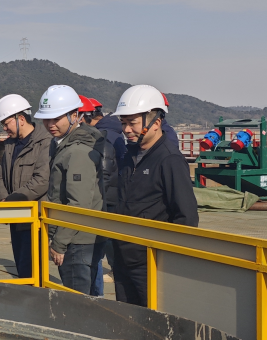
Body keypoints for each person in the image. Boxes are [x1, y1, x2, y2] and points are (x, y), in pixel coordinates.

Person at [110, 84, 199, 307]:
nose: (126, 129)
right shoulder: (128, 156)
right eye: (123, 123)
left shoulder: (169, 160)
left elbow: (186, 217)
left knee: (156, 325)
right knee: (128, 321)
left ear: (156, 123)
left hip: (151, 263)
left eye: (132, 123)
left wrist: (172, 261)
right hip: (123, 256)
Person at [35, 86, 104, 293]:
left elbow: (78, 203)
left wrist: (59, 243)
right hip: (77, 237)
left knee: (78, 303)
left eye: (56, 118)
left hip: (77, 240)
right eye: (46, 119)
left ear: (75, 115)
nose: (50, 124)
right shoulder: (66, 146)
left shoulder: (77, 151)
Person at [0, 94, 51, 279]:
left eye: (6, 123)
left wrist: (11, 200)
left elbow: (42, 180)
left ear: (21, 119)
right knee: (21, 265)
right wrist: (4, 200)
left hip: (35, 216)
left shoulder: (45, 142)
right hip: (16, 214)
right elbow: (0, 174)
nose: (4, 128)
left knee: (34, 268)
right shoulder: (10, 144)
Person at [79, 97, 120, 296]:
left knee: (97, 250)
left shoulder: (101, 138)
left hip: (105, 200)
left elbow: (102, 175)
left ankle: (98, 294)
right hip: (114, 197)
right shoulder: (115, 131)